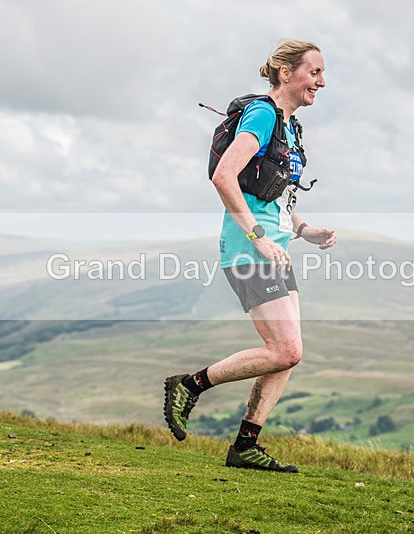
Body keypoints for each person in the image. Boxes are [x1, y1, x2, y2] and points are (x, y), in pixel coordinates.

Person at [163, 38, 336, 473]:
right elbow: (225, 177)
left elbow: (275, 193)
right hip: (250, 248)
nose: (321, 80)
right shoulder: (262, 114)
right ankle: (190, 384)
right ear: (286, 73)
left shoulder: (290, 125)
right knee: (285, 350)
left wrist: (303, 229)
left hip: (273, 247)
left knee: (287, 352)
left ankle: (246, 445)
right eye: (313, 72)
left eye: (322, 72)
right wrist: (258, 236)